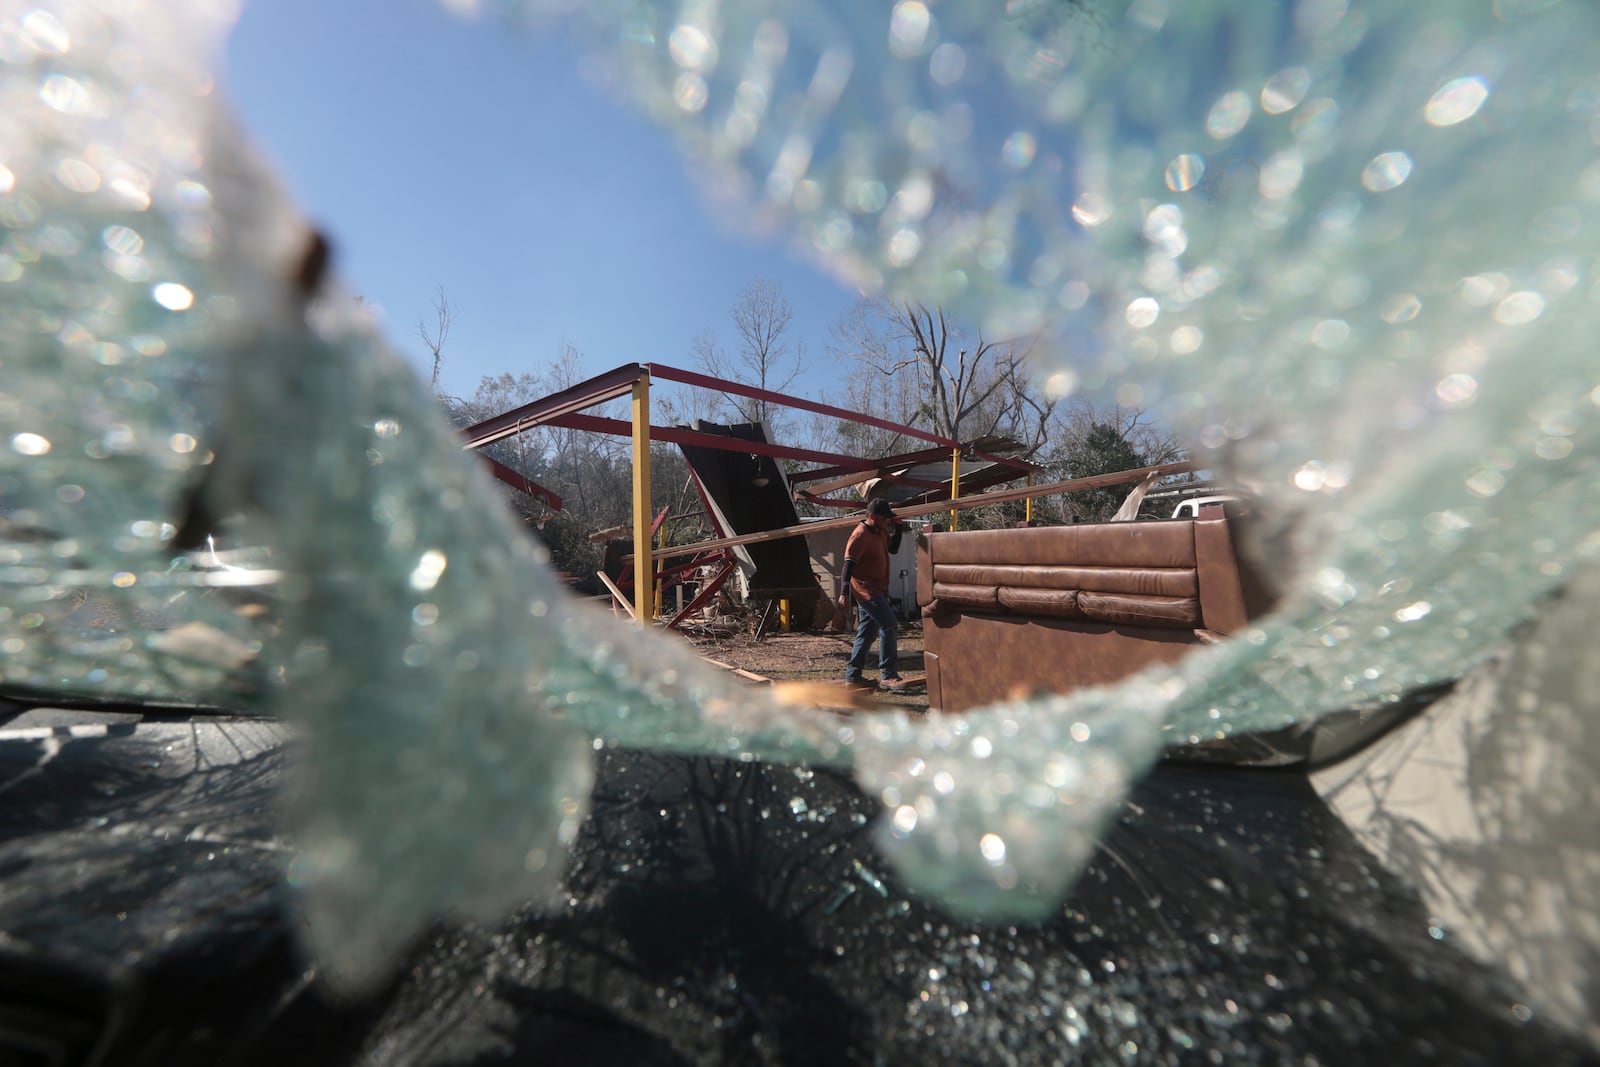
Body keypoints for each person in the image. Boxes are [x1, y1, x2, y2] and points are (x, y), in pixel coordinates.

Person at [838, 498, 907, 690]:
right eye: (886, 519)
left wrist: (898, 528)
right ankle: (888, 674)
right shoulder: (859, 536)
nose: (888, 522)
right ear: (873, 516)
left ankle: (853, 677)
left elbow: (893, 549)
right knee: (889, 624)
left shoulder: (880, 532)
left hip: (877, 589)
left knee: (867, 633)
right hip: (866, 590)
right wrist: (844, 593)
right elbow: (848, 565)